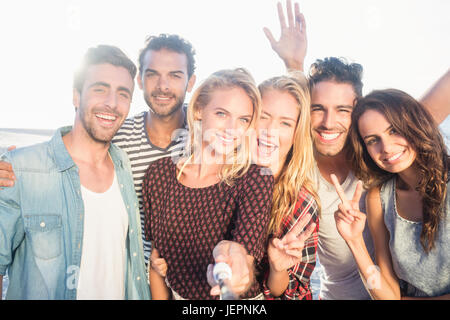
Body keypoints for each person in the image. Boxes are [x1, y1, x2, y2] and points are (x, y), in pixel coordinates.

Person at [0, 34, 197, 270]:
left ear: (191, 81)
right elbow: (75, 142)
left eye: (175, 75)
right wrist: (17, 165)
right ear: (141, 80)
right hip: (139, 282)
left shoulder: (211, 135)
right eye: (152, 74)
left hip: (199, 283)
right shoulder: (119, 133)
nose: (163, 85)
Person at [0, 45, 150, 300]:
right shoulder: (21, 169)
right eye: (100, 89)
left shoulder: (123, 165)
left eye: (123, 94)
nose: (112, 103)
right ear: (76, 96)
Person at [143, 68, 274, 300]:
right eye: (222, 114)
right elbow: (157, 263)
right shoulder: (159, 174)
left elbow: (244, 260)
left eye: (243, 119)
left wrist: (231, 275)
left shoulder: (255, 179)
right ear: (198, 110)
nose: (233, 129)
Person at [333, 89, 450, 299]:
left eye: (394, 130)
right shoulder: (378, 198)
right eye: (372, 140)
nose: (386, 147)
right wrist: (355, 242)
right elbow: (386, 293)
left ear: (414, 125)